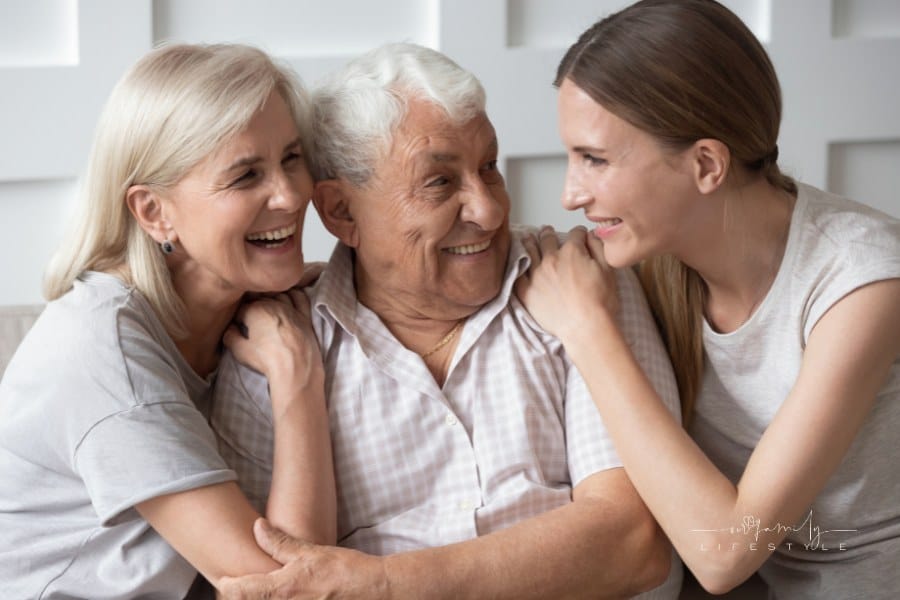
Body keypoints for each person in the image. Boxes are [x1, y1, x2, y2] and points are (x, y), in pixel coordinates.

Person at [212, 42, 683, 599]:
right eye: (439, 183)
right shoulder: (272, 347)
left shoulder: (578, 282)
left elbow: (635, 543)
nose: (488, 209)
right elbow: (281, 581)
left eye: (489, 167)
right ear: (341, 212)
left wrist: (385, 583)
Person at [514, 1, 900, 598]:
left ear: (705, 165)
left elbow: (725, 553)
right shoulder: (650, 253)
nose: (569, 194)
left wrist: (589, 331)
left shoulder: (863, 285)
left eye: (594, 159)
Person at [0, 43, 335, 598]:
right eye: (246, 175)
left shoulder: (249, 301)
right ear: (155, 212)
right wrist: (299, 381)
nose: (292, 194)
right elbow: (290, 588)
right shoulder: (104, 349)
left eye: (292, 159)